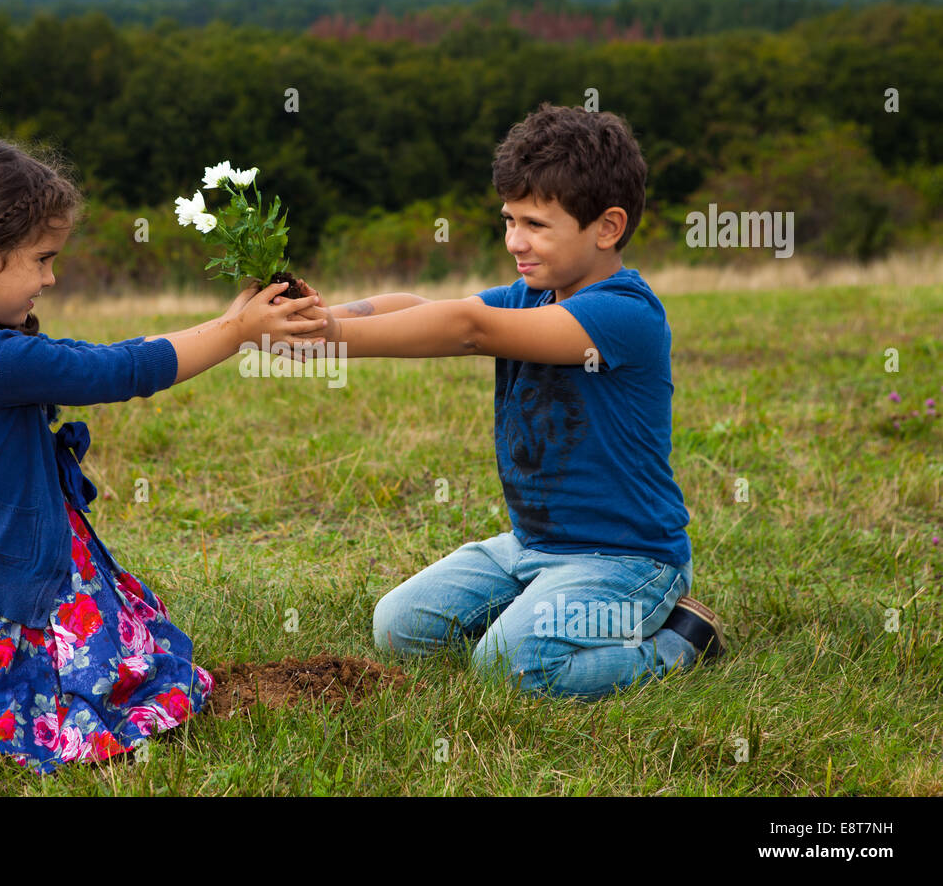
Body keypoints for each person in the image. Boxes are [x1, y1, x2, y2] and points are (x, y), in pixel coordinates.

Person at [0, 137, 326, 771]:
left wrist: (230, 320)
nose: (52, 278)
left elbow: (91, 357)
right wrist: (238, 335)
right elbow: (118, 372)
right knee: (137, 681)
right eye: (43, 259)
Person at [290, 103, 726, 700]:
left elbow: (471, 327)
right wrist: (313, 320)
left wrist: (334, 341)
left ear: (607, 226)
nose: (514, 241)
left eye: (536, 225)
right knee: (399, 628)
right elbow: (420, 306)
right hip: (530, 545)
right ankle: (544, 613)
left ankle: (677, 647)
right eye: (508, 219)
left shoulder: (626, 314)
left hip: (627, 561)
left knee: (509, 668)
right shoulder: (531, 294)